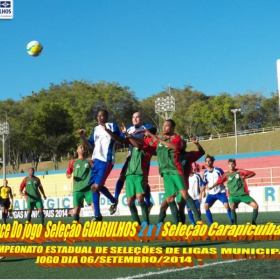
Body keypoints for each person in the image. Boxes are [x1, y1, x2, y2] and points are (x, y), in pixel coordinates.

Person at [131, 119, 202, 225]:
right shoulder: (160, 139)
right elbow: (142, 143)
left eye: (167, 126)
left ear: (173, 128)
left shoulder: (178, 142)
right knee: (168, 200)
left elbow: (174, 146)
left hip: (175, 171)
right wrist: (129, 136)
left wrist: (154, 136)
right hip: (165, 173)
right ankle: (169, 226)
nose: (164, 127)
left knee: (183, 198)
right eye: (163, 125)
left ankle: (198, 221)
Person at [78, 109, 119, 221]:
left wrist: (107, 130)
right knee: (93, 188)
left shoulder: (112, 125)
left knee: (97, 186)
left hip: (107, 159)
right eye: (98, 116)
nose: (99, 118)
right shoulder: (95, 129)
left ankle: (112, 202)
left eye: (101, 116)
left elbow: (117, 139)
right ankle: (98, 214)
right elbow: (90, 146)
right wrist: (82, 137)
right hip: (96, 161)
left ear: (106, 117)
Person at [110, 112, 153, 215]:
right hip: (131, 156)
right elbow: (121, 139)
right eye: (133, 117)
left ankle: (148, 203)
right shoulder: (129, 128)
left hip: (143, 157)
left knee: (144, 181)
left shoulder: (147, 126)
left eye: (138, 117)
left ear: (142, 118)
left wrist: (144, 132)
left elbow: (152, 133)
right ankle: (115, 199)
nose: (135, 119)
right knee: (121, 177)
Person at [159, 137, 205, 224]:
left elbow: (202, 152)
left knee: (181, 208)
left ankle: (183, 226)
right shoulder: (171, 154)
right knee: (163, 206)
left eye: (183, 143)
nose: (181, 144)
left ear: (185, 145)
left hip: (182, 184)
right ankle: (158, 226)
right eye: (180, 143)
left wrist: (197, 143)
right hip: (171, 184)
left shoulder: (189, 156)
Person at [120, 126, 157, 225]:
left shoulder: (152, 146)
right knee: (129, 202)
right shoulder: (138, 142)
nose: (144, 137)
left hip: (140, 174)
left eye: (146, 135)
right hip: (130, 174)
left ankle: (146, 224)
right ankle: (138, 225)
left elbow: (139, 145)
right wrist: (126, 135)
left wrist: (128, 134)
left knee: (140, 199)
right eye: (144, 135)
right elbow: (130, 142)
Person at [210, 158, 258, 225]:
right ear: (228, 165)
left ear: (235, 165)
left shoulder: (240, 171)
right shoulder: (226, 174)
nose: (231, 166)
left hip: (243, 194)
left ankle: (253, 223)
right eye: (229, 164)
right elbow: (219, 181)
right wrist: (211, 187)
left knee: (255, 206)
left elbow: (253, 173)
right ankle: (234, 225)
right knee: (232, 206)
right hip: (233, 196)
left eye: (232, 164)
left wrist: (245, 177)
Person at [66, 144, 94, 222]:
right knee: (76, 208)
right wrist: (68, 175)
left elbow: (95, 170)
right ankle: (76, 225)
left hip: (88, 188)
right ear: (77, 150)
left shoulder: (90, 161)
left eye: (83, 147)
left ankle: (96, 221)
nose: (82, 148)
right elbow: (68, 172)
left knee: (93, 205)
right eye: (80, 147)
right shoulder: (72, 162)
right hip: (77, 189)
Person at [203, 154, 233, 225]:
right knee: (206, 206)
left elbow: (224, 178)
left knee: (226, 206)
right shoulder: (205, 173)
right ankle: (212, 224)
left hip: (221, 192)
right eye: (207, 161)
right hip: (211, 194)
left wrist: (227, 185)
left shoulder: (218, 170)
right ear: (205, 163)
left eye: (209, 161)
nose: (208, 162)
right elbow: (204, 183)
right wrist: (203, 191)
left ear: (212, 162)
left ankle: (233, 223)